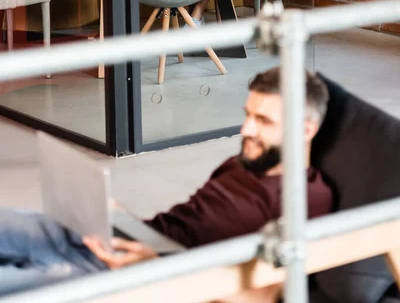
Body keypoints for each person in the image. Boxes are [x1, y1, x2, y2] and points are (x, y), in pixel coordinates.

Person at [0, 68, 333, 301]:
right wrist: (118, 217)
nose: (245, 129)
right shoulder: (244, 161)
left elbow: (258, 298)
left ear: (306, 130)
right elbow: (184, 225)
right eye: (248, 114)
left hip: (148, 284)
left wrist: (158, 267)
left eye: (263, 121)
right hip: (127, 246)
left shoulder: (307, 201)